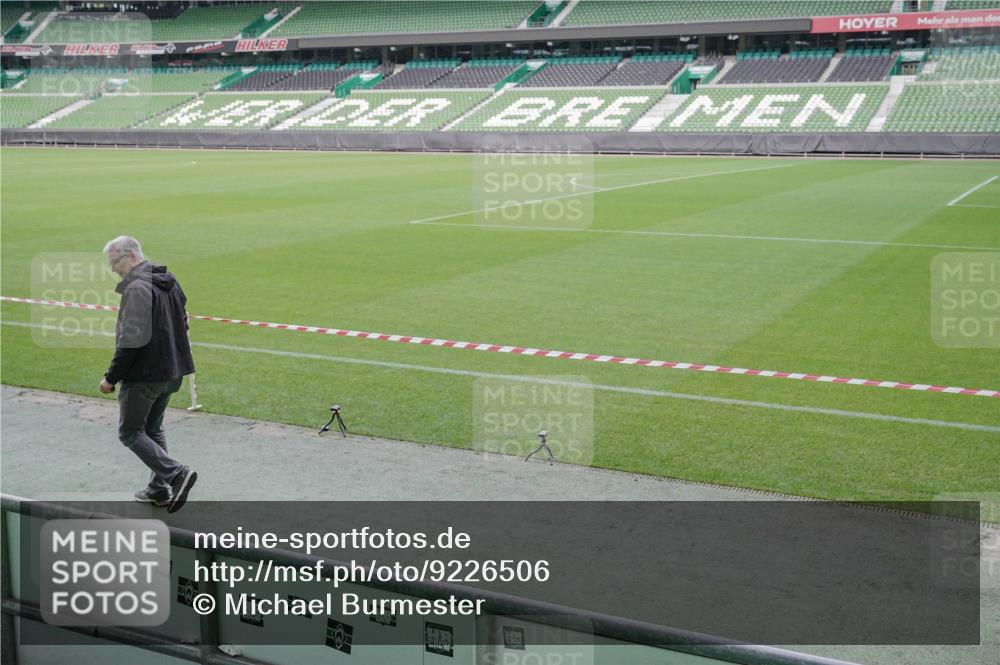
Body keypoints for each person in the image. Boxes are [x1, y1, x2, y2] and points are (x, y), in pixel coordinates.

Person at [99, 236, 198, 513]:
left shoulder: (137, 288)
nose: (113, 269)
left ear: (130, 256)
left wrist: (111, 378)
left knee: (130, 432)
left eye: (115, 262)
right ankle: (158, 489)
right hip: (172, 371)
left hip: (145, 375)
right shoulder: (169, 280)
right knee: (153, 428)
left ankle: (176, 474)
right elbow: (185, 322)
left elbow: (130, 340)